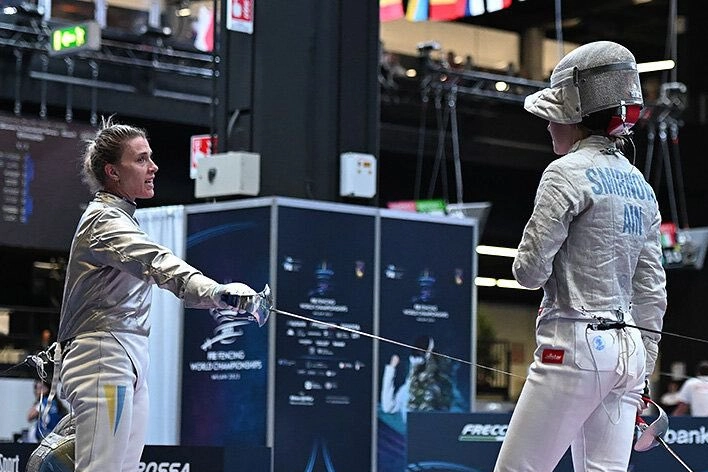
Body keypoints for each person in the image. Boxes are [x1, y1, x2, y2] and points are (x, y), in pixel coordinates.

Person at [493, 41, 667, 472]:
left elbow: (528, 272)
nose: (549, 125)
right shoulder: (640, 186)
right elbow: (651, 290)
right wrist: (644, 366)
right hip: (629, 354)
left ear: (574, 115)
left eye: (554, 115)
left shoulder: (564, 173)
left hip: (574, 343)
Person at [56, 117, 258, 472]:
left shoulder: (121, 218)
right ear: (113, 172)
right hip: (104, 357)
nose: (153, 167)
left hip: (127, 355)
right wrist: (215, 291)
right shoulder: (103, 221)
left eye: (150, 157)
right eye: (141, 159)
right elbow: (156, 262)